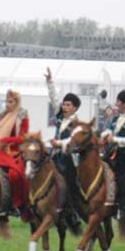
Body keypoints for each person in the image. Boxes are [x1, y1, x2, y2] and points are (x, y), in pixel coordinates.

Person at [45, 67, 82, 231]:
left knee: (69, 184)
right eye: (64, 104)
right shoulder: (60, 116)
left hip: (68, 159)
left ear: (74, 108)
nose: (64, 107)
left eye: (68, 105)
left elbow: (71, 141)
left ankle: (72, 213)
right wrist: (49, 82)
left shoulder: (77, 124)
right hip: (54, 155)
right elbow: (54, 98)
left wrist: (58, 143)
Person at [0, 89, 31, 218]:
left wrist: (6, 140)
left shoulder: (23, 117)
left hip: (15, 151)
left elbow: (23, 138)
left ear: (17, 102)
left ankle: (16, 204)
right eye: (6, 101)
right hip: (1, 150)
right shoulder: (3, 116)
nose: (7, 104)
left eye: (10, 102)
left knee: (14, 175)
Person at [102, 90, 125, 221]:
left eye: (118, 101)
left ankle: (122, 207)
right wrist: (103, 136)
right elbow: (108, 130)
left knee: (120, 178)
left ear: (124, 104)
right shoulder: (115, 119)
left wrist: (115, 139)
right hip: (110, 153)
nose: (116, 104)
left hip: (124, 155)